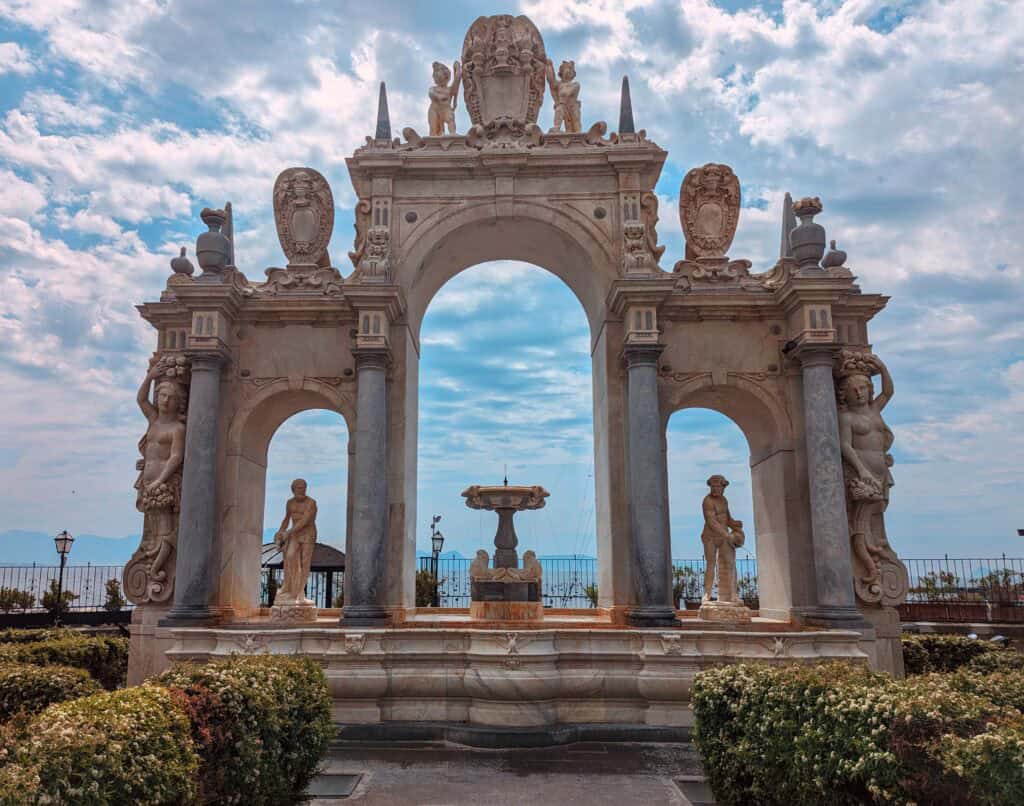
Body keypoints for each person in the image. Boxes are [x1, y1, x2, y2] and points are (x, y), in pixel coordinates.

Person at [837, 352, 895, 583]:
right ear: (845, 394)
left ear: (870, 390)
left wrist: (881, 367)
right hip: (862, 474)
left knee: (875, 513)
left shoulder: (874, 410)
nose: (860, 393)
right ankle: (869, 562)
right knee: (860, 521)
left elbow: (888, 392)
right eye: (854, 390)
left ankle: (875, 549)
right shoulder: (847, 417)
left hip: (880, 473)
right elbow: (844, 445)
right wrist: (861, 470)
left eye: (863, 388)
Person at [134, 358, 187, 582]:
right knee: (152, 532)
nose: (164, 400)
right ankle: (153, 570)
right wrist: (151, 376)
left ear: (178, 402)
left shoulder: (177, 428)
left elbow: (176, 457)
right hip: (148, 484)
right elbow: (140, 399)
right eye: (162, 396)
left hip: (163, 485)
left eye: (170, 397)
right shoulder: (154, 420)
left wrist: (160, 480)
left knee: (165, 532)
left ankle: (157, 571)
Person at [700, 474, 745, 604]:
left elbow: (727, 519)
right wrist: (727, 535)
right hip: (710, 536)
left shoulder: (724, 500)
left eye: (717, 486)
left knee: (731, 563)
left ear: (723, 487)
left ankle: (733, 595)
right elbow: (711, 522)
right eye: (713, 486)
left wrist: (735, 524)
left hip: (724, 535)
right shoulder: (707, 501)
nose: (715, 489)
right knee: (711, 564)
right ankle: (707, 594)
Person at [274, 479, 318, 606]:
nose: (302, 490)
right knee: (290, 556)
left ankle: (299, 591)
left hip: (308, 534)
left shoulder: (311, 503)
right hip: (294, 534)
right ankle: (290, 585)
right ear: (293, 490)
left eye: (304, 488)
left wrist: (288, 532)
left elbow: (305, 521)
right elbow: (286, 519)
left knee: (305, 562)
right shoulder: (290, 503)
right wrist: (280, 532)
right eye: (299, 488)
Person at [546, 59, 581, 133]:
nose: (569, 71)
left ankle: (578, 133)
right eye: (567, 69)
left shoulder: (575, 84)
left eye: (571, 70)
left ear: (573, 74)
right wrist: (549, 66)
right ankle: (557, 127)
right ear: (561, 72)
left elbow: (568, 93)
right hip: (562, 105)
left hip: (573, 106)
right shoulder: (559, 84)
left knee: (575, 121)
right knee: (559, 110)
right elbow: (551, 80)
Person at [428, 61, 461, 136]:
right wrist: (438, 96)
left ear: (447, 78)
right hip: (434, 110)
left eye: (444, 77)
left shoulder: (449, 90)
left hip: (446, 109)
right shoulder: (433, 88)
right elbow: (430, 93)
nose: (440, 80)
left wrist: (457, 68)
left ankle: (452, 134)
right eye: (436, 77)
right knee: (434, 128)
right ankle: (434, 138)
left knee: (450, 119)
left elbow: (457, 79)